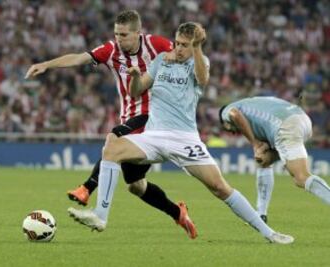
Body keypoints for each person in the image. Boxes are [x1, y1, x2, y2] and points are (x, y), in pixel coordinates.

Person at [68, 22, 294, 244]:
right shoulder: (160, 61)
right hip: (154, 135)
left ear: (194, 46)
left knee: (220, 187)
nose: (178, 48)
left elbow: (203, 79)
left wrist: (196, 48)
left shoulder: (199, 62)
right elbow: (135, 91)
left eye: (185, 45)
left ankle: (269, 233)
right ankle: (100, 215)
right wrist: (136, 76)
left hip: (184, 139)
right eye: (177, 43)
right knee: (112, 147)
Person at [25, 10, 197, 239]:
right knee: (136, 185)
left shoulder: (156, 44)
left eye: (124, 35)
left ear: (138, 33)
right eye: (117, 34)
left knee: (113, 139)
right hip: (130, 119)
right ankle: (178, 213)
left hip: (153, 117)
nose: (119, 39)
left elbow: (185, 55)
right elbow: (79, 57)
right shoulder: (111, 50)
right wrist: (47, 64)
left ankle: (87, 188)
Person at [219, 96, 330, 223]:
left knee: (301, 178)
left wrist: (254, 143)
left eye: (229, 130)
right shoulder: (251, 105)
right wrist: (262, 147)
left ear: (225, 123)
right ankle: (261, 214)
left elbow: (234, 114)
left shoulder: (226, 111)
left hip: (285, 125)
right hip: (303, 120)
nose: (233, 132)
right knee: (264, 161)